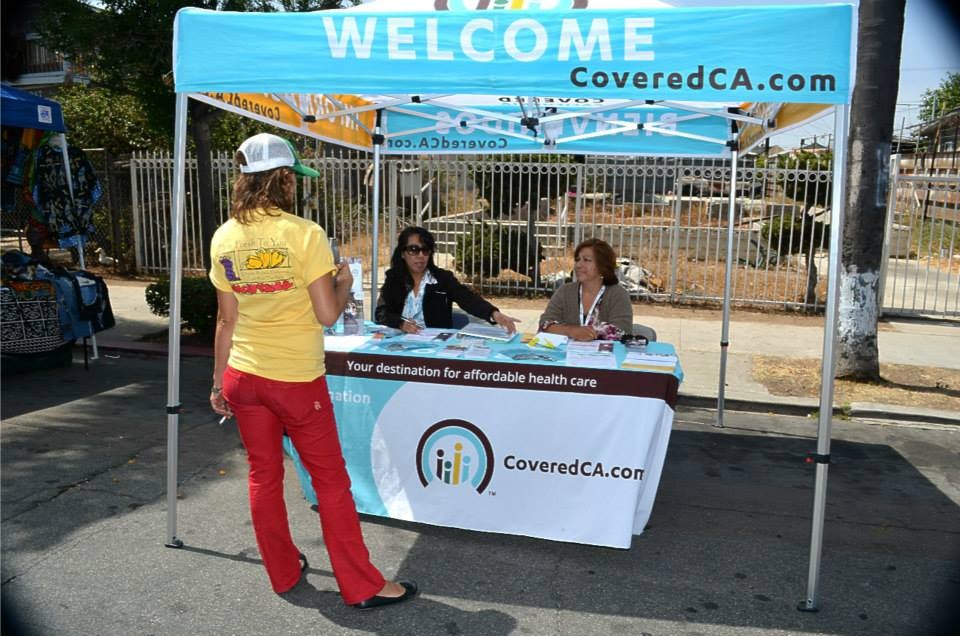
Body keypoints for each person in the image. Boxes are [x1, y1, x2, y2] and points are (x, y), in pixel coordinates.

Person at [208, 133, 416, 610]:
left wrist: (218, 381)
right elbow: (327, 314)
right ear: (283, 178)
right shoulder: (304, 234)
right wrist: (343, 283)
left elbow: (225, 319)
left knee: (263, 476)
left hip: (244, 375)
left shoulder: (224, 236)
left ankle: (282, 572)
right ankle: (362, 586)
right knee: (330, 481)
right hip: (295, 379)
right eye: (292, 177)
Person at [375, 226, 520, 334]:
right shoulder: (394, 279)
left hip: (435, 346)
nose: (420, 255)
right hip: (399, 343)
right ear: (402, 253)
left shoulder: (442, 279)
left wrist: (494, 314)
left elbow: (467, 299)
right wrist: (401, 324)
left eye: (425, 250)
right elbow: (381, 313)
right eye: (414, 249)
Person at [538, 238, 633, 341]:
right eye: (577, 260)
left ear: (602, 265)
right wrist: (572, 331)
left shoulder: (618, 294)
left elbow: (622, 330)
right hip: (567, 351)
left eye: (586, 260)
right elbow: (545, 325)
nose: (579, 265)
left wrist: (586, 333)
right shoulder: (565, 291)